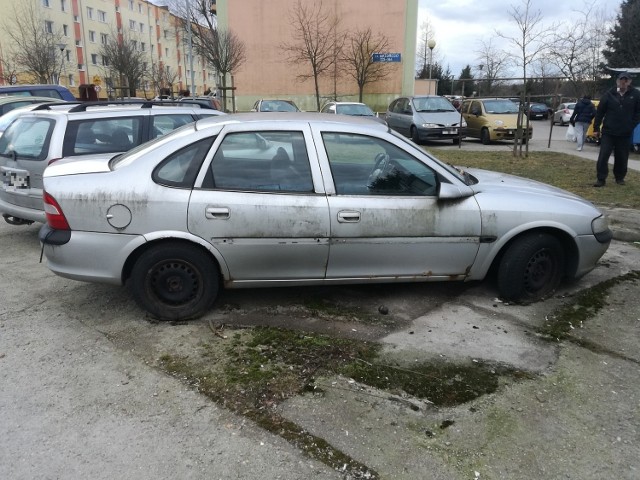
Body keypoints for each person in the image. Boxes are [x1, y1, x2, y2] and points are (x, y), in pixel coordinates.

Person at [592, 72, 640, 187]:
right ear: (617, 81)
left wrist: (631, 125)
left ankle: (619, 177)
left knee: (622, 157)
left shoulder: (636, 94)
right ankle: (601, 179)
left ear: (629, 82)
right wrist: (596, 128)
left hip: (625, 132)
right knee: (603, 156)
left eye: (626, 80)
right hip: (609, 131)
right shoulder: (609, 94)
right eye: (621, 80)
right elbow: (600, 112)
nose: (623, 82)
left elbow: (638, 113)